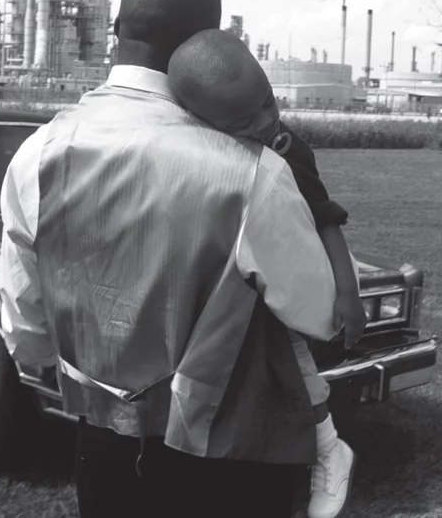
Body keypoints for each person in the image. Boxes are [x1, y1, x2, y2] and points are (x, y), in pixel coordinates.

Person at [0, 0, 346, 518]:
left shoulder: (37, 154)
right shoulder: (252, 171)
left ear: (116, 31)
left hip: (102, 449)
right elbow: (318, 312)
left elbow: (26, 325)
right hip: (232, 456)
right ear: (207, 42)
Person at [167, 28, 366, 518]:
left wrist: (348, 293)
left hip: (285, 279)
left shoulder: (288, 149)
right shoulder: (202, 153)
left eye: (268, 104)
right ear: (202, 121)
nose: (264, 121)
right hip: (231, 286)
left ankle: (328, 447)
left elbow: (326, 219)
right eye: (243, 120)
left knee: (295, 360)